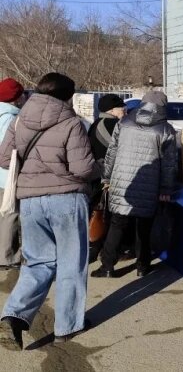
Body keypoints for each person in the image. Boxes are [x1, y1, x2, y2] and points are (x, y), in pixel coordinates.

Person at [0, 73, 97, 349]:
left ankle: (14, 315)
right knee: (71, 262)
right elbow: (82, 168)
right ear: (68, 96)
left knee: (38, 261)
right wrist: (98, 168)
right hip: (67, 199)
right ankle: (67, 326)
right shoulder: (70, 122)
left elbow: (4, 159)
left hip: (30, 200)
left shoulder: (19, 120)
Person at [92, 91, 178, 278]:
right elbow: (169, 164)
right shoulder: (166, 130)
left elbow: (111, 153)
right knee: (144, 228)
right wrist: (166, 188)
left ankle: (107, 266)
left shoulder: (124, 123)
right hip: (150, 185)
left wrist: (106, 178)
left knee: (117, 224)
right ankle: (143, 266)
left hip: (122, 183)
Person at [86, 94, 129, 263]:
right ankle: (100, 249)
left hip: (98, 175)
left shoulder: (97, 123)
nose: (124, 110)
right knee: (104, 215)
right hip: (105, 177)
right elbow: (118, 149)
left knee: (100, 213)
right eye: (121, 107)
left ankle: (96, 248)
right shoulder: (110, 125)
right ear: (111, 110)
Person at [0, 78, 26, 270]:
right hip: (6, 175)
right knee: (10, 214)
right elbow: (9, 150)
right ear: (15, 98)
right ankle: (7, 256)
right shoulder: (10, 119)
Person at [87, 94, 126, 164]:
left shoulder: (96, 123)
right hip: (108, 165)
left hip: (96, 165)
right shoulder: (115, 124)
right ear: (112, 110)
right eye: (122, 109)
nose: (125, 113)